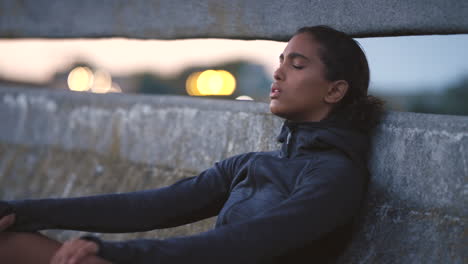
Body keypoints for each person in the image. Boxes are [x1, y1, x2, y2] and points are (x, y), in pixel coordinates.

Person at [0, 25, 384, 264]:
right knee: (11, 241)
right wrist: (21, 211)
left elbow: (240, 246)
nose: (278, 71)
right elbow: (153, 206)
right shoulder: (251, 165)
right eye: (281, 60)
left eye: (297, 65)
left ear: (335, 90)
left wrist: (115, 253)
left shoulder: (336, 177)